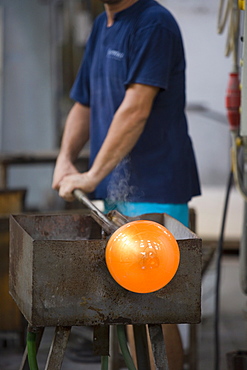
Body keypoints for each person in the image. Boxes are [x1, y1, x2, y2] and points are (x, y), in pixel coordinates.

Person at [52, 0, 201, 368]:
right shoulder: (104, 25)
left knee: (156, 309)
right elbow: (83, 104)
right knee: (129, 308)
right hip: (116, 191)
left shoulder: (154, 24)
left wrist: (90, 175)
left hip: (155, 188)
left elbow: (136, 108)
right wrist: (65, 157)